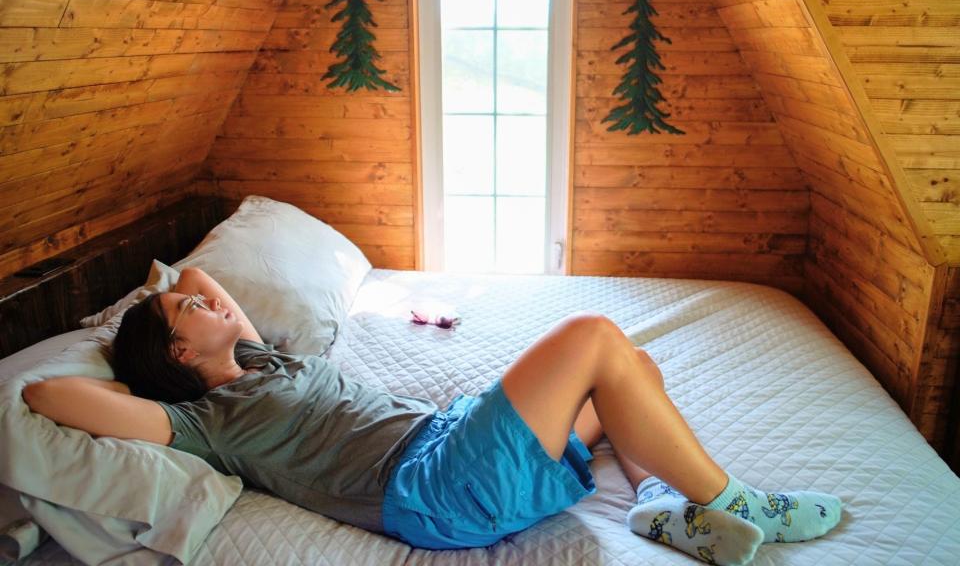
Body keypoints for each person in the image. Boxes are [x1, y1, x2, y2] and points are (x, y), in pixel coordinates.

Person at [23, 267, 842, 566]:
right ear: (174, 355)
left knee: (634, 371)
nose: (208, 297)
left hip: (444, 439)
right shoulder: (208, 423)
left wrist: (177, 307)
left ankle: (662, 508)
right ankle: (736, 503)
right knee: (592, 337)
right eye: (188, 309)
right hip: (430, 488)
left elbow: (201, 271)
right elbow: (43, 396)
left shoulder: (261, 359)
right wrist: (114, 339)